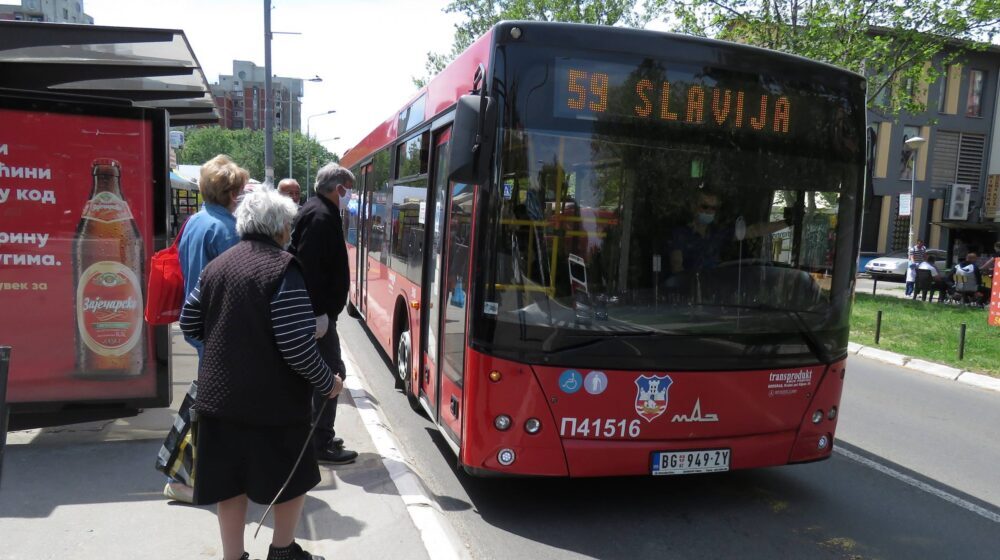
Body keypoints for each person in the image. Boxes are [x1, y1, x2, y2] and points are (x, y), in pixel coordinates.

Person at [180, 189, 342, 560]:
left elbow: (189, 321)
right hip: (274, 404)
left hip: (219, 397)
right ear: (279, 228)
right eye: (288, 224)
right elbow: (296, 345)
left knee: (228, 484)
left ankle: (233, 557)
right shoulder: (284, 268)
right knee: (292, 479)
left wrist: (229, 340)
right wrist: (327, 382)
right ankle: (282, 551)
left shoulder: (218, 266)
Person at [168, 154, 247, 503]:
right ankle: (187, 478)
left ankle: (186, 475)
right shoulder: (228, 230)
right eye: (241, 190)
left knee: (207, 405)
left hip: (199, 324)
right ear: (232, 193)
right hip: (221, 331)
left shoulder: (195, 222)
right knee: (215, 411)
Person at [288, 163, 359, 465]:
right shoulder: (320, 216)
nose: (349, 195)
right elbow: (311, 269)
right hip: (317, 315)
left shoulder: (318, 210)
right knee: (332, 374)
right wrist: (318, 314)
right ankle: (321, 443)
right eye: (348, 189)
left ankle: (318, 434)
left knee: (324, 375)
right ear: (337, 187)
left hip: (318, 313)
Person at [668, 190, 790, 274]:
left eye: (713, 208)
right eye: (705, 207)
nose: (709, 211)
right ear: (693, 207)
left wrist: (787, 223)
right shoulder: (680, 234)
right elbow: (677, 268)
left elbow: (753, 231)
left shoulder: (717, 234)